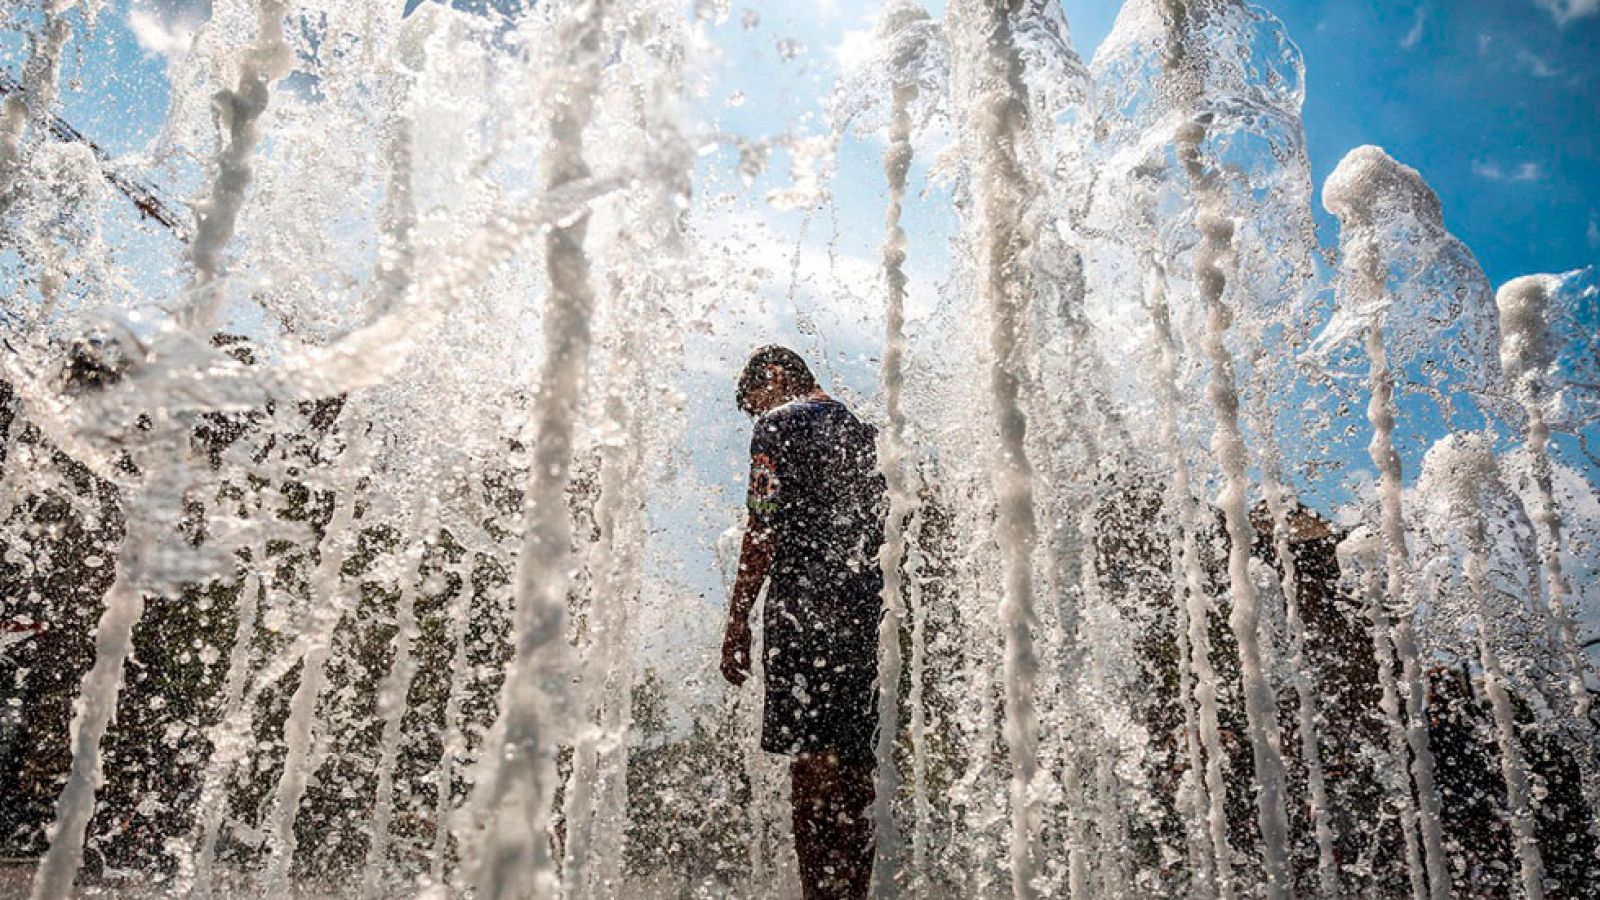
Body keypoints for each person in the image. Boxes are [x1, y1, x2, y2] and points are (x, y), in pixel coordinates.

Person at [720, 345, 886, 900]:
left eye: (755, 401)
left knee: (811, 767)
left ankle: (818, 893)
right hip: (865, 618)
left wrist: (737, 620)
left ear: (773, 377)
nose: (756, 414)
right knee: (856, 767)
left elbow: (762, 527)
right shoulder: (866, 434)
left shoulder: (778, 425)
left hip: (803, 616)